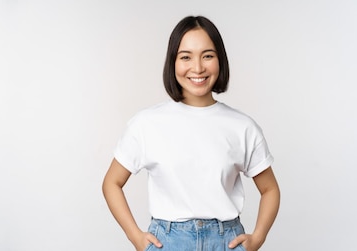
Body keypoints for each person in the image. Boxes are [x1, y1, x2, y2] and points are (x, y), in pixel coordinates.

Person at [102, 16, 280, 251]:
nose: (197, 68)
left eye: (208, 56)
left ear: (220, 60)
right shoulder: (146, 123)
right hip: (168, 241)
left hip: (226, 241)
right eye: (186, 57)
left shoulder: (242, 126)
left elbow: (270, 189)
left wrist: (257, 237)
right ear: (173, 62)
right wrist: (135, 236)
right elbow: (111, 183)